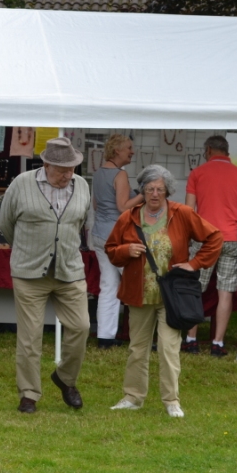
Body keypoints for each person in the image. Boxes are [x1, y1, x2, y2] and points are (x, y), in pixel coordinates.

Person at [105, 165, 222, 418]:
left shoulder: (182, 213)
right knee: (138, 348)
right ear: (142, 191)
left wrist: (194, 264)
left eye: (159, 189)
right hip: (138, 294)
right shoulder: (128, 217)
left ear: (168, 190)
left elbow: (215, 237)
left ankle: (171, 401)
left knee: (169, 349)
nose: (155, 194)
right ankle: (133, 397)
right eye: (149, 189)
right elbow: (111, 251)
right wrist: (127, 251)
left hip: (172, 296)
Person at [0, 137, 91, 414]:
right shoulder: (21, 184)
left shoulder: (82, 186)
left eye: (72, 168)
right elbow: (6, 223)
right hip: (29, 273)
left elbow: (80, 222)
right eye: (62, 169)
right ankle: (29, 394)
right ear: (46, 164)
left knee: (81, 327)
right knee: (30, 337)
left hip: (70, 270)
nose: (68, 174)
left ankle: (65, 379)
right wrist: (30, 250)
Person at [184, 135, 237, 357]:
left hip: (205, 238)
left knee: (196, 288)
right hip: (232, 239)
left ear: (208, 150)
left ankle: (191, 339)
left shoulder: (197, 174)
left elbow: (189, 211)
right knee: (225, 292)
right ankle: (218, 343)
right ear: (226, 152)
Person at [90, 134, 143, 349]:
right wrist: (143, 195)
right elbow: (123, 207)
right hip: (117, 237)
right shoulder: (120, 175)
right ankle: (141, 337)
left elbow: (95, 206)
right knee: (135, 284)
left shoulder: (98, 173)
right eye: (129, 147)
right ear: (117, 150)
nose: (132, 151)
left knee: (108, 286)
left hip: (99, 234)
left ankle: (105, 337)